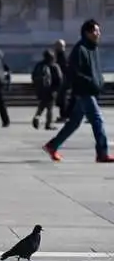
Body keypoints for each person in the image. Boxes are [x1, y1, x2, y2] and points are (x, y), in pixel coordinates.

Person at [43, 19, 114, 163]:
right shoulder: (80, 49)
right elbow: (73, 72)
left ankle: (52, 145)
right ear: (87, 33)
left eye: (99, 31)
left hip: (90, 90)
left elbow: (94, 70)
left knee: (74, 123)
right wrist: (90, 82)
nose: (98, 33)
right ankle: (102, 153)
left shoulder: (93, 48)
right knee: (97, 120)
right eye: (96, 30)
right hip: (84, 91)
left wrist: (99, 81)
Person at [31, 49, 62, 130]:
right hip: (51, 90)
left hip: (41, 90)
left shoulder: (39, 65)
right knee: (50, 108)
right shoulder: (54, 66)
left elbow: (33, 76)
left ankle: (37, 117)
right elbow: (60, 78)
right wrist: (57, 89)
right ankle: (48, 124)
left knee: (42, 106)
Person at [54, 39, 70, 121]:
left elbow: (63, 68)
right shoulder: (61, 55)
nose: (55, 47)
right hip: (63, 80)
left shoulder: (62, 56)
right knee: (62, 99)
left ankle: (64, 116)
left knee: (62, 99)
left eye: (57, 45)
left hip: (63, 80)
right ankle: (64, 115)